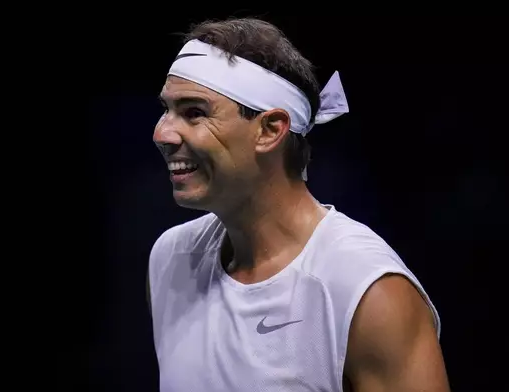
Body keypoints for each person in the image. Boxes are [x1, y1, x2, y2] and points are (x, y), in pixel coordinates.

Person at [147, 17, 449, 392]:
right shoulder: (171, 259)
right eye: (167, 109)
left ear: (270, 130)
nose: (162, 133)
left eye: (194, 112)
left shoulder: (369, 291)